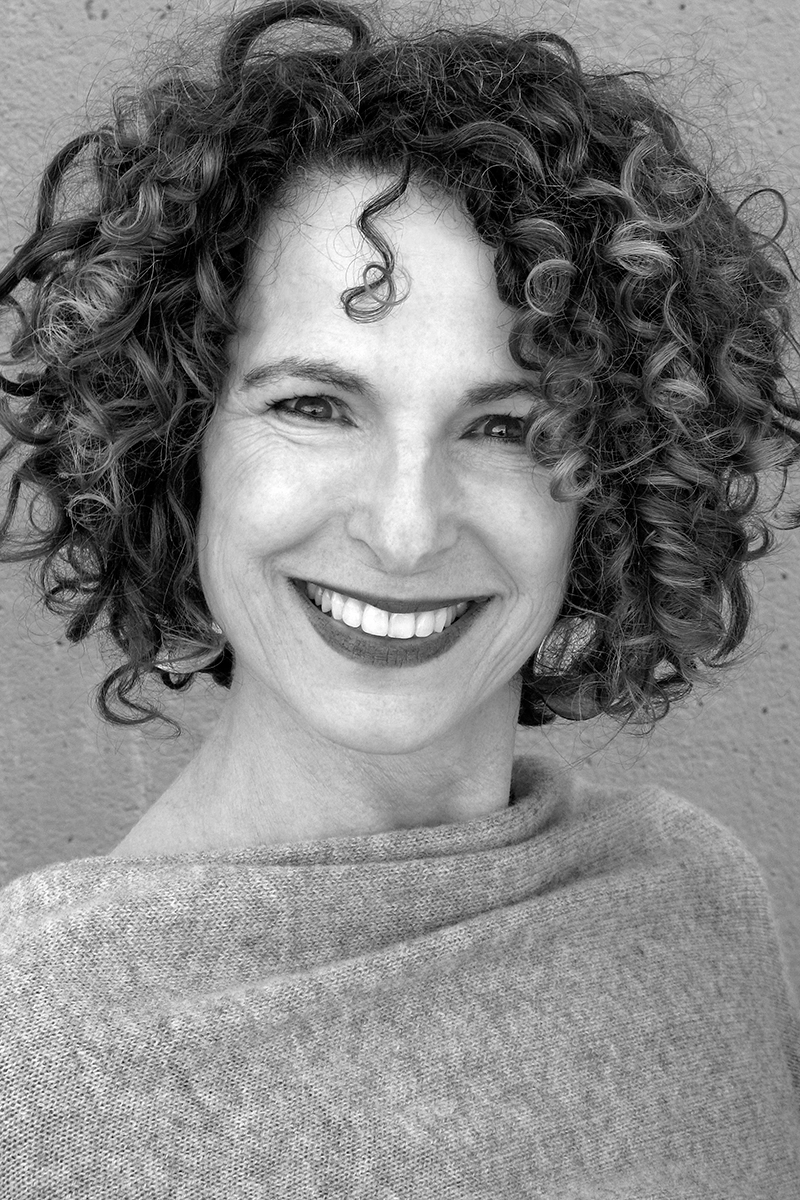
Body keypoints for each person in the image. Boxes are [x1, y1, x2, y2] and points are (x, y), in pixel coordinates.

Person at [0, 0, 798, 1193]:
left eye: (508, 425)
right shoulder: (35, 1063)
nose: (406, 527)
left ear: (614, 481)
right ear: (175, 444)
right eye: (314, 407)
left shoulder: (694, 904)